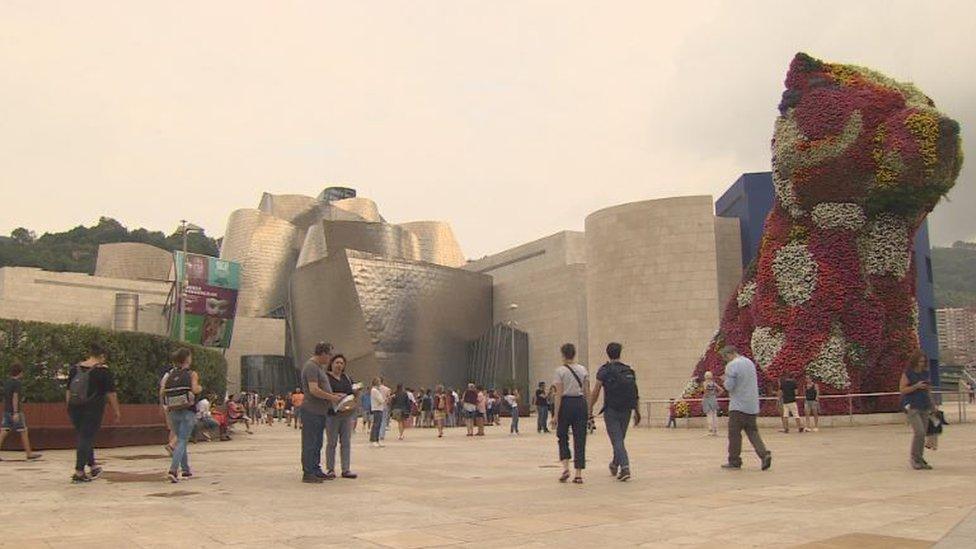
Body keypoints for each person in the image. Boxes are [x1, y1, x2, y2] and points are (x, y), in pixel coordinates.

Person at [66, 342, 121, 483]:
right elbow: (111, 394)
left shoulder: (75, 369)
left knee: (84, 436)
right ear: (102, 356)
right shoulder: (103, 371)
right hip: (93, 408)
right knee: (86, 437)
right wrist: (116, 411)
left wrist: (69, 407)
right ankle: (79, 472)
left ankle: (93, 465)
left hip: (74, 407)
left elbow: (68, 391)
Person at [590, 342, 641, 482]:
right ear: (620, 353)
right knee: (619, 440)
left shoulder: (604, 370)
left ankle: (625, 467)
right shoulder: (628, 370)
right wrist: (637, 411)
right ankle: (614, 464)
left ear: (608, 353)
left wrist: (590, 407)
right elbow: (635, 392)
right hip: (627, 410)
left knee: (617, 440)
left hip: (611, 410)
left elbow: (596, 391)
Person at [720, 346, 772, 471]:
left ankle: (734, 460)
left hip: (738, 406)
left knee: (734, 434)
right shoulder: (749, 363)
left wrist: (724, 380)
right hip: (752, 405)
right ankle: (764, 454)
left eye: (725, 358)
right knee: (753, 432)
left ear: (729, 355)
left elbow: (729, 386)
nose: (726, 360)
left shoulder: (732, 366)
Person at [300, 342, 345, 483]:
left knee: (317, 442)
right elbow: (313, 389)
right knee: (310, 442)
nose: (330, 358)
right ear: (323, 353)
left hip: (320, 412)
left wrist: (336, 395)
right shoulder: (311, 367)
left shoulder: (319, 368)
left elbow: (323, 389)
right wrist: (332, 397)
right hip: (311, 410)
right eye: (329, 354)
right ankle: (308, 472)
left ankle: (315, 468)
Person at [160, 347, 203, 483]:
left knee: (180, 439)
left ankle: (185, 469)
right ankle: (173, 470)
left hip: (173, 411)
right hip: (188, 410)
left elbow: (162, 393)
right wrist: (201, 388)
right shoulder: (192, 374)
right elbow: (195, 389)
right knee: (182, 440)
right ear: (187, 359)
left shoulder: (170, 375)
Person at [551, 343, 589, 484]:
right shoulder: (582, 369)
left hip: (565, 404)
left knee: (562, 435)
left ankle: (566, 467)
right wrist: (589, 410)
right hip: (580, 403)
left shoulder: (560, 371)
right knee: (580, 438)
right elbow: (586, 391)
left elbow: (558, 394)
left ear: (563, 355)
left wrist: (555, 415)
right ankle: (578, 473)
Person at [322, 355, 358, 479]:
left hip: (346, 414)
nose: (339, 365)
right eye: (337, 362)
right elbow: (323, 393)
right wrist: (336, 395)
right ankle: (330, 469)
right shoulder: (326, 378)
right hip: (332, 414)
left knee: (346, 442)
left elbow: (353, 393)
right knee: (331, 442)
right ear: (331, 364)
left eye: (341, 363)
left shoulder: (347, 378)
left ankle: (346, 469)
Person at [0, 362, 43, 462]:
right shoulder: (17, 383)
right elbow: (15, 397)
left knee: (3, 432)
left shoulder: (7, 383)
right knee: (23, 431)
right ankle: (29, 454)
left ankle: (29, 453)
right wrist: (16, 412)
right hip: (16, 411)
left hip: (6, 410)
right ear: (20, 373)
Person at [900, 352, 935, 470]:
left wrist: (933, 405)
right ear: (915, 361)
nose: (922, 364)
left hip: (924, 405)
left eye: (924, 362)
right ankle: (914, 458)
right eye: (920, 361)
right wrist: (916, 386)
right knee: (919, 432)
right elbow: (903, 389)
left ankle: (920, 458)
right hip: (912, 406)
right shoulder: (908, 373)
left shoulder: (926, 373)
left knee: (923, 433)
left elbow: (929, 390)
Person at [702, 371, 721, 436]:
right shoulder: (713, 383)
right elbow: (721, 390)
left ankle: (710, 430)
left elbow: (705, 392)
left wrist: (705, 396)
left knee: (709, 415)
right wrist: (716, 394)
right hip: (713, 399)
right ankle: (715, 430)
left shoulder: (705, 383)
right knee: (714, 415)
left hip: (708, 399)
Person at [369, 377, 386, 447]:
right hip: (376, 409)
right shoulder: (374, 390)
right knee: (376, 425)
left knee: (378, 425)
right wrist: (384, 399)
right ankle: (373, 440)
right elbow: (381, 400)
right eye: (379, 381)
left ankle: (377, 439)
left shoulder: (377, 390)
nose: (380, 383)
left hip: (379, 409)